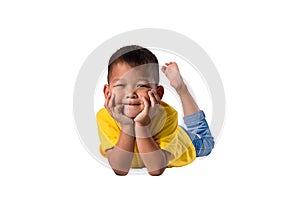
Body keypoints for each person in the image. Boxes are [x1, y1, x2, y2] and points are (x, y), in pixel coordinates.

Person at [96, 45, 214, 176]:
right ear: (107, 92)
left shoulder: (167, 115)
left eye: (141, 85)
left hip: (185, 142)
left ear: (158, 93)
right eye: (120, 85)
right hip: (166, 133)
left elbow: (156, 169)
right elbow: (120, 169)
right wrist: (127, 126)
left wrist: (141, 125)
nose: (130, 93)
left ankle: (181, 88)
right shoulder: (105, 117)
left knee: (206, 141)